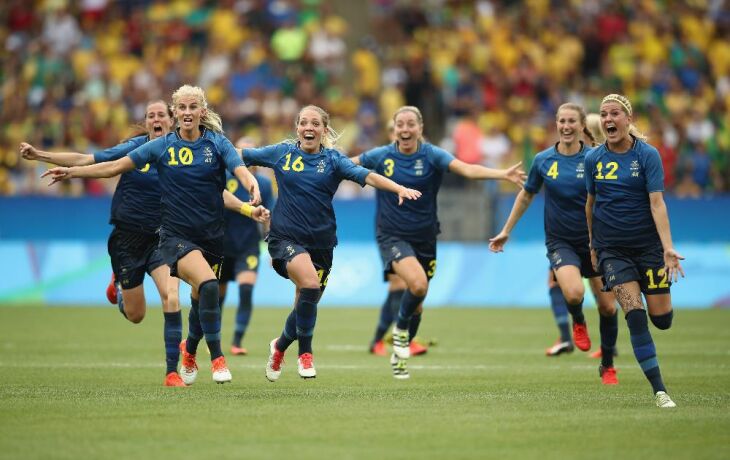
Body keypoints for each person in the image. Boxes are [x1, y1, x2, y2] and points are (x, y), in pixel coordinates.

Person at [42, 85, 262, 386]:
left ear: (202, 112)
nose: (186, 113)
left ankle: (188, 355)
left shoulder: (217, 144)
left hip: (210, 237)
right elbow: (113, 167)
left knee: (199, 295)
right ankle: (215, 358)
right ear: (176, 113)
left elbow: (238, 170)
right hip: (171, 236)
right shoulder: (159, 146)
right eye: (181, 108)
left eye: (192, 107)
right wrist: (71, 172)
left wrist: (251, 186)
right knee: (199, 288)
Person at [240, 104, 421, 382]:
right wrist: (207, 152)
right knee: (310, 285)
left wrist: (398, 188)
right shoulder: (281, 153)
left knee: (305, 303)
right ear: (297, 127)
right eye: (304, 123)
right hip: (284, 238)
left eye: (315, 124)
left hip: (322, 244)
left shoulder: (335, 160)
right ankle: (306, 354)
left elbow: (367, 176)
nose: (309, 128)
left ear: (324, 130)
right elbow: (239, 155)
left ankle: (279, 346)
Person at [20, 101, 193, 387]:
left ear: (172, 120)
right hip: (127, 239)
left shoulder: (182, 153)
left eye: (161, 114)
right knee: (136, 315)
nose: (156, 119)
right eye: (151, 115)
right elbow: (89, 160)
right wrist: (40, 154)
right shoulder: (134, 149)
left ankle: (171, 372)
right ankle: (121, 287)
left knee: (171, 297)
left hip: (162, 238)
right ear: (147, 122)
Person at [354, 105, 526, 379]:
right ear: (395, 128)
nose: (406, 129)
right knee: (418, 284)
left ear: (420, 128)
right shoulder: (381, 155)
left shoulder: (432, 155)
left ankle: (400, 354)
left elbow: (467, 170)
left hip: (425, 238)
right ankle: (398, 333)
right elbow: (347, 165)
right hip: (392, 235)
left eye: (411, 124)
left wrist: (502, 174)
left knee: (418, 301)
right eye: (401, 124)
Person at [489, 103, 619, 386]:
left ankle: (607, 364)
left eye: (572, 121)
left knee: (609, 308)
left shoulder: (598, 158)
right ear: (556, 124)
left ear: (583, 125)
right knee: (572, 293)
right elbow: (526, 195)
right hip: (562, 242)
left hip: (597, 243)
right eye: (562, 121)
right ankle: (578, 321)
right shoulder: (544, 160)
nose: (566, 126)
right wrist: (506, 231)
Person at [585, 93, 684, 408]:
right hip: (612, 251)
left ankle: (657, 298)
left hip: (649, 249)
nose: (608, 120)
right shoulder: (593, 159)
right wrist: (592, 244)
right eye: (604, 115)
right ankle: (660, 391)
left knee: (662, 319)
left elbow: (657, 204)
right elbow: (590, 204)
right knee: (635, 316)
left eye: (615, 113)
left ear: (628, 119)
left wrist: (667, 248)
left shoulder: (647, 155)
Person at [368, 120, 427, 358]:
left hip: (415, 232)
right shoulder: (383, 158)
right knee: (398, 284)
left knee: (407, 286)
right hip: (390, 231)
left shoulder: (419, 158)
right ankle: (392, 338)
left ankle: (385, 338)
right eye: (395, 130)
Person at [218, 137, 276, 356]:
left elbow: (269, 216)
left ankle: (237, 341)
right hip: (222, 245)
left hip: (248, 246)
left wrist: (272, 247)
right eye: (244, 153)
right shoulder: (224, 178)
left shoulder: (265, 184)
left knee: (246, 290)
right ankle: (213, 337)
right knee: (218, 295)